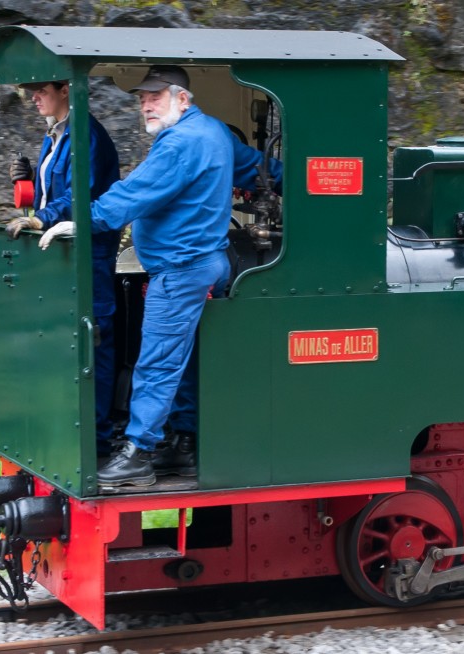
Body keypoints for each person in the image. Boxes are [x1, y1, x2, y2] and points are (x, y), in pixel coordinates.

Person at [39, 65, 282, 488]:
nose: (146, 105)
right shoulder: (213, 133)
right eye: (142, 98)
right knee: (183, 358)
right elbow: (260, 169)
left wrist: (82, 219)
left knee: (157, 361)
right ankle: (182, 444)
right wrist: (297, 183)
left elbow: (135, 192)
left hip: (182, 267)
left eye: (156, 96)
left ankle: (139, 453)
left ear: (183, 99)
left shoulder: (182, 142)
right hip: (205, 263)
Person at [8, 80, 122, 457]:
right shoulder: (54, 136)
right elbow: (53, 194)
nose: (33, 97)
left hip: (89, 252)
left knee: (95, 341)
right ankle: (70, 432)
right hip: (64, 250)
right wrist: (28, 187)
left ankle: (98, 437)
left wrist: (40, 218)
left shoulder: (86, 135)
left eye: (41, 90)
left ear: (65, 90)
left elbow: (78, 198)